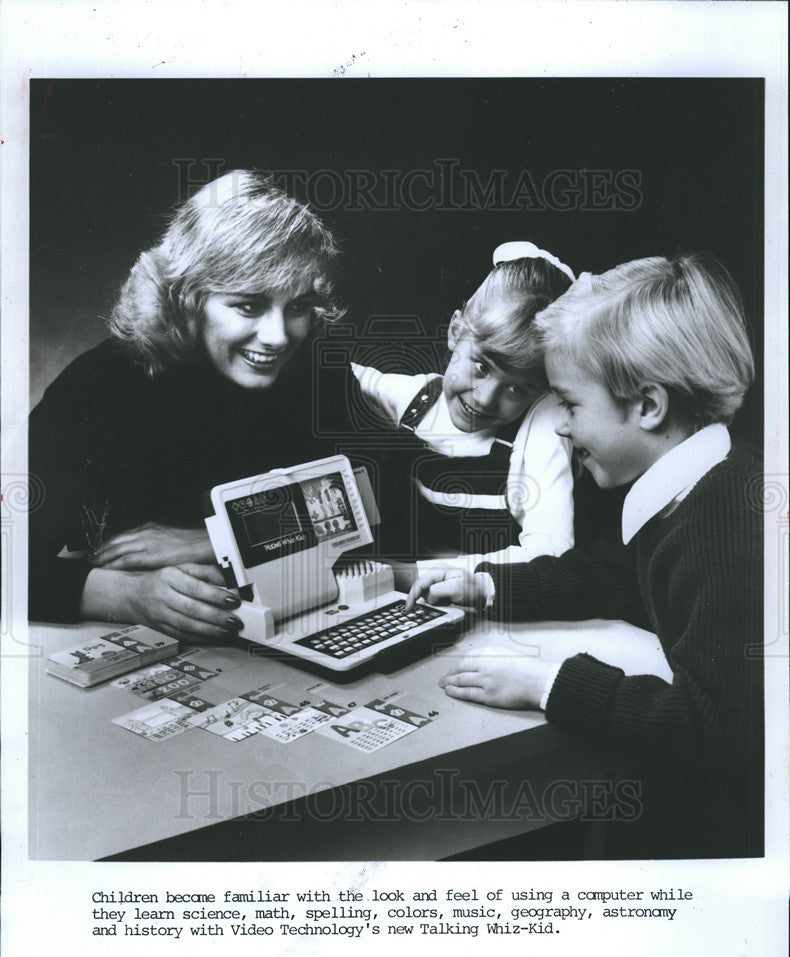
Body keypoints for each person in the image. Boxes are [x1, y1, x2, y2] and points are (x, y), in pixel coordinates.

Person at [407, 254, 762, 858]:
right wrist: (488, 586)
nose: (562, 429)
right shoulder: (695, 489)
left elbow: (714, 734)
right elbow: (614, 575)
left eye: (570, 405)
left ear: (648, 406)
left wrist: (549, 685)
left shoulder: (728, 525)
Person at [29, 170, 342, 641]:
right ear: (187, 299)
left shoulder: (316, 363)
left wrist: (221, 541)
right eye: (249, 306)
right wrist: (126, 596)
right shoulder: (100, 384)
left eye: (297, 307)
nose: (279, 337)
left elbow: (384, 505)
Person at [350, 242, 575, 584]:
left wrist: (414, 574)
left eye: (518, 389)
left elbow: (552, 552)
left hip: (492, 604)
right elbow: (344, 375)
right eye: (482, 367)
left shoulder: (539, 427)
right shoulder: (415, 399)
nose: (485, 399)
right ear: (455, 332)